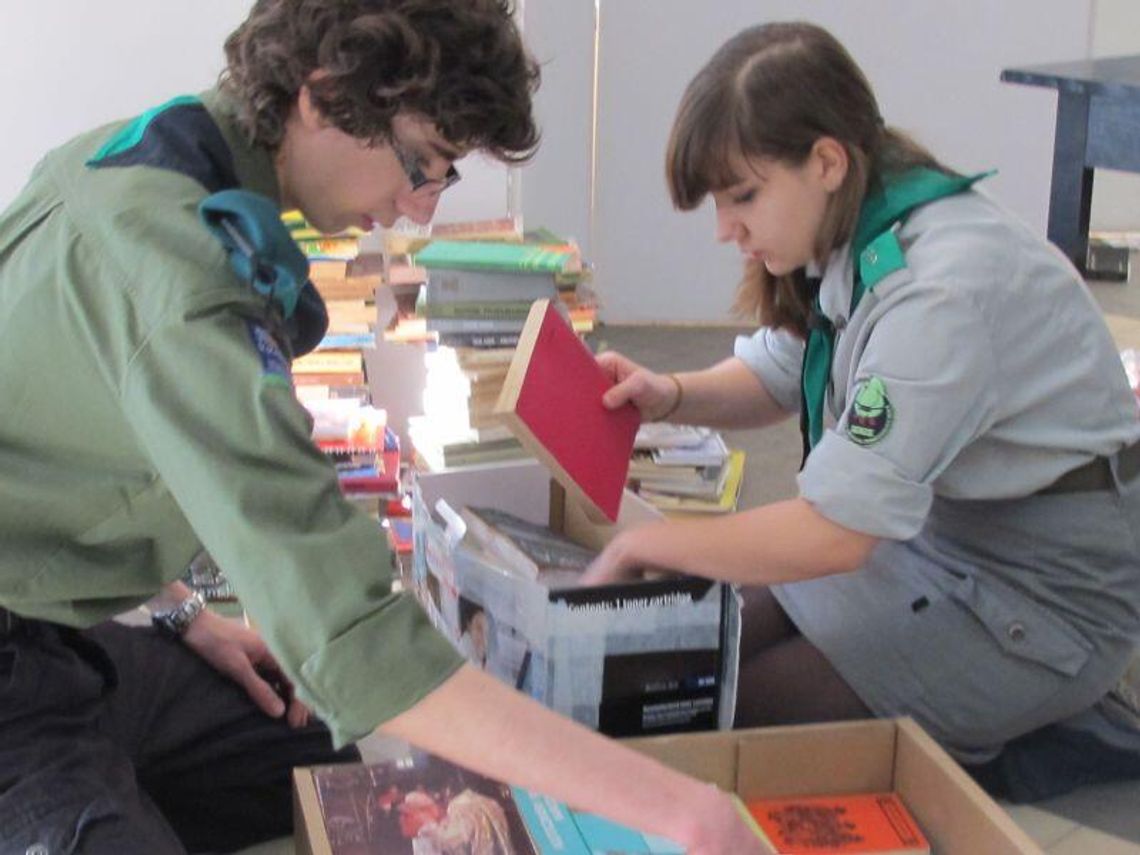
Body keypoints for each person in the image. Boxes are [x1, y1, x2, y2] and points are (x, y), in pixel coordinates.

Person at [0, 2, 761, 852]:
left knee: (304, 749)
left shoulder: (168, 150)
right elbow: (354, 636)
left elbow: (82, 434)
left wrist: (186, 615)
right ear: (322, 97)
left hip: (57, 626)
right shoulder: (179, 282)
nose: (418, 211)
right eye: (419, 164)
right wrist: (677, 808)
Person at [583, 20, 1140, 790]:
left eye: (742, 195)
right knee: (694, 643)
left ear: (826, 162)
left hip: (1040, 597)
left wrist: (645, 544)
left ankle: (1043, 732)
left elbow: (835, 534)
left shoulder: (937, 294)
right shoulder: (859, 226)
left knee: (721, 710)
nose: (725, 229)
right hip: (926, 536)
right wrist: (669, 394)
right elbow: (788, 366)